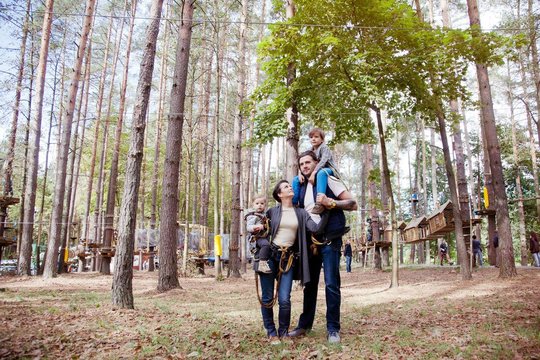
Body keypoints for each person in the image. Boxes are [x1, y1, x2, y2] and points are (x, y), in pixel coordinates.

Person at [288, 150, 357, 344]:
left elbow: (353, 204)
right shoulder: (300, 187)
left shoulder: (328, 178)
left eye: (308, 162)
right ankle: (304, 325)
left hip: (330, 239)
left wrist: (331, 202)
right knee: (309, 284)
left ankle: (333, 328)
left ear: (317, 162)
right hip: (310, 242)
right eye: (302, 164)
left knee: (331, 284)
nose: (305, 166)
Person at [259, 180, 329, 340]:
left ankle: (283, 332)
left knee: (284, 299)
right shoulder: (271, 212)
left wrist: (326, 212)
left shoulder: (302, 213)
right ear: (279, 194)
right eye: (285, 187)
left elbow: (315, 228)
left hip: (288, 259)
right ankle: (271, 332)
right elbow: (260, 234)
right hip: (270, 257)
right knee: (267, 298)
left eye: (289, 186)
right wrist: (264, 248)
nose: (290, 187)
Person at [292, 128, 340, 214]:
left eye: (316, 137)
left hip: (328, 170)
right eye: (311, 137)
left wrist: (314, 173)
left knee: (321, 174)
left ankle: (319, 202)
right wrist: (300, 173)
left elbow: (323, 161)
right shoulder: (311, 150)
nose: (313, 139)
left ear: (322, 139)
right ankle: (294, 204)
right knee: (296, 179)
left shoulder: (324, 148)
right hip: (317, 171)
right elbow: (303, 161)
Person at [246, 195, 271, 274]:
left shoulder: (265, 215)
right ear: (253, 205)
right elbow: (249, 227)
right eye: (257, 203)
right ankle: (262, 263)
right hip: (256, 238)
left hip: (264, 236)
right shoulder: (252, 216)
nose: (259, 205)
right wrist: (256, 227)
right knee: (265, 245)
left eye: (262, 203)